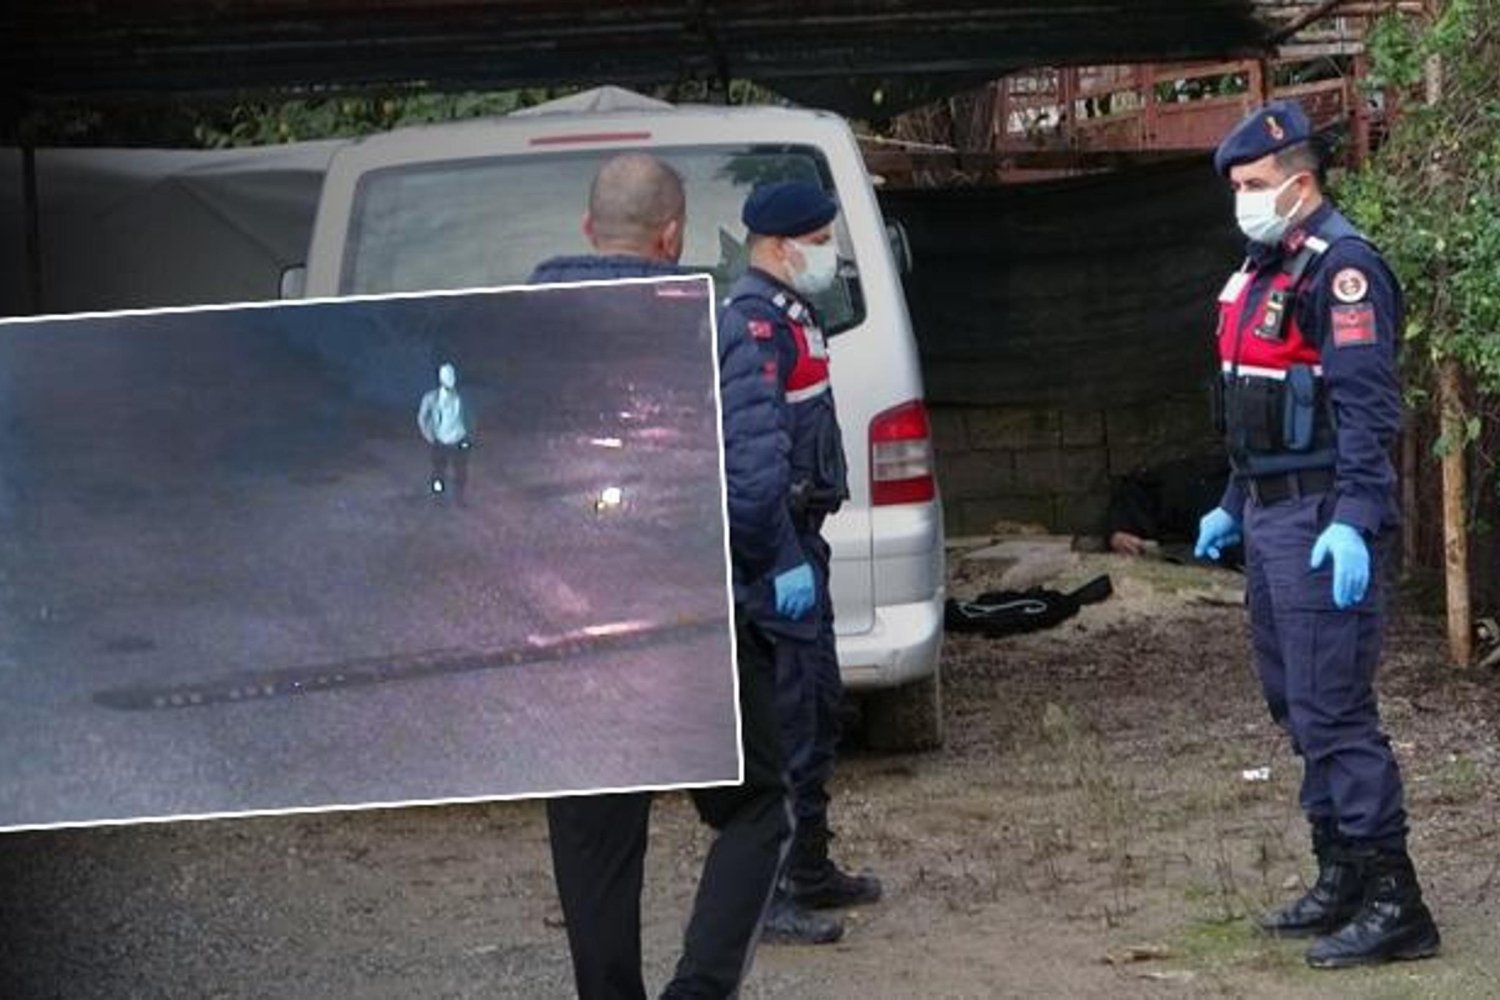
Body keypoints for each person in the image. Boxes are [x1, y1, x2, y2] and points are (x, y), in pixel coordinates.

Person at [532, 152, 815, 999]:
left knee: (594, 843)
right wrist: (751, 574)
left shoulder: (514, 329)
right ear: (673, 236)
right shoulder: (709, 324)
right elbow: (757, 489)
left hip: (565, 631)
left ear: (586, 230)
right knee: (758, 805)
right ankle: (698, 989)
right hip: (684, 626)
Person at [1194, 101, 1439, 968]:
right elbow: (1260, 411)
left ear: (1301, 183)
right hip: (1268, 515)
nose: (1244, 201)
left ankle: (1395, 899)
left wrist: (1353, 525)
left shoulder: (1343, 271)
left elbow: (1368, 417)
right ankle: (1340, 875)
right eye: (1236, 188)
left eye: (1256, 186)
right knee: (1295, 705)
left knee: (1335, 711)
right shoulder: (1264, 270)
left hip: (1321, 517)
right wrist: (1231, 501)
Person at [720, 181, 883, 945]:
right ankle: (771, 892)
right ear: (781, 247)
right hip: (773, 555)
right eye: (819, 240)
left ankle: (810, 868)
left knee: (817, 709)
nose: (830, 253)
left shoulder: (795, 315)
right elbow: (753, 463)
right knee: (787, 720)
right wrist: (780, 557)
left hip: (801, 545)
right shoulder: (755, 324)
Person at [416, 361, 472, 502]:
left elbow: (469, 416)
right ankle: (438, 496)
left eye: (451, 377)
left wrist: (469, 435)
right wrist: (429, 435)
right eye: (447, 377)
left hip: (459, 438)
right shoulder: (431, 398)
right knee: (438, 472)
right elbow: (422, 417)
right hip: (440, 440)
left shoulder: (461, 396)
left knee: (461, 471)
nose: (450, 380)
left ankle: (459, 497)